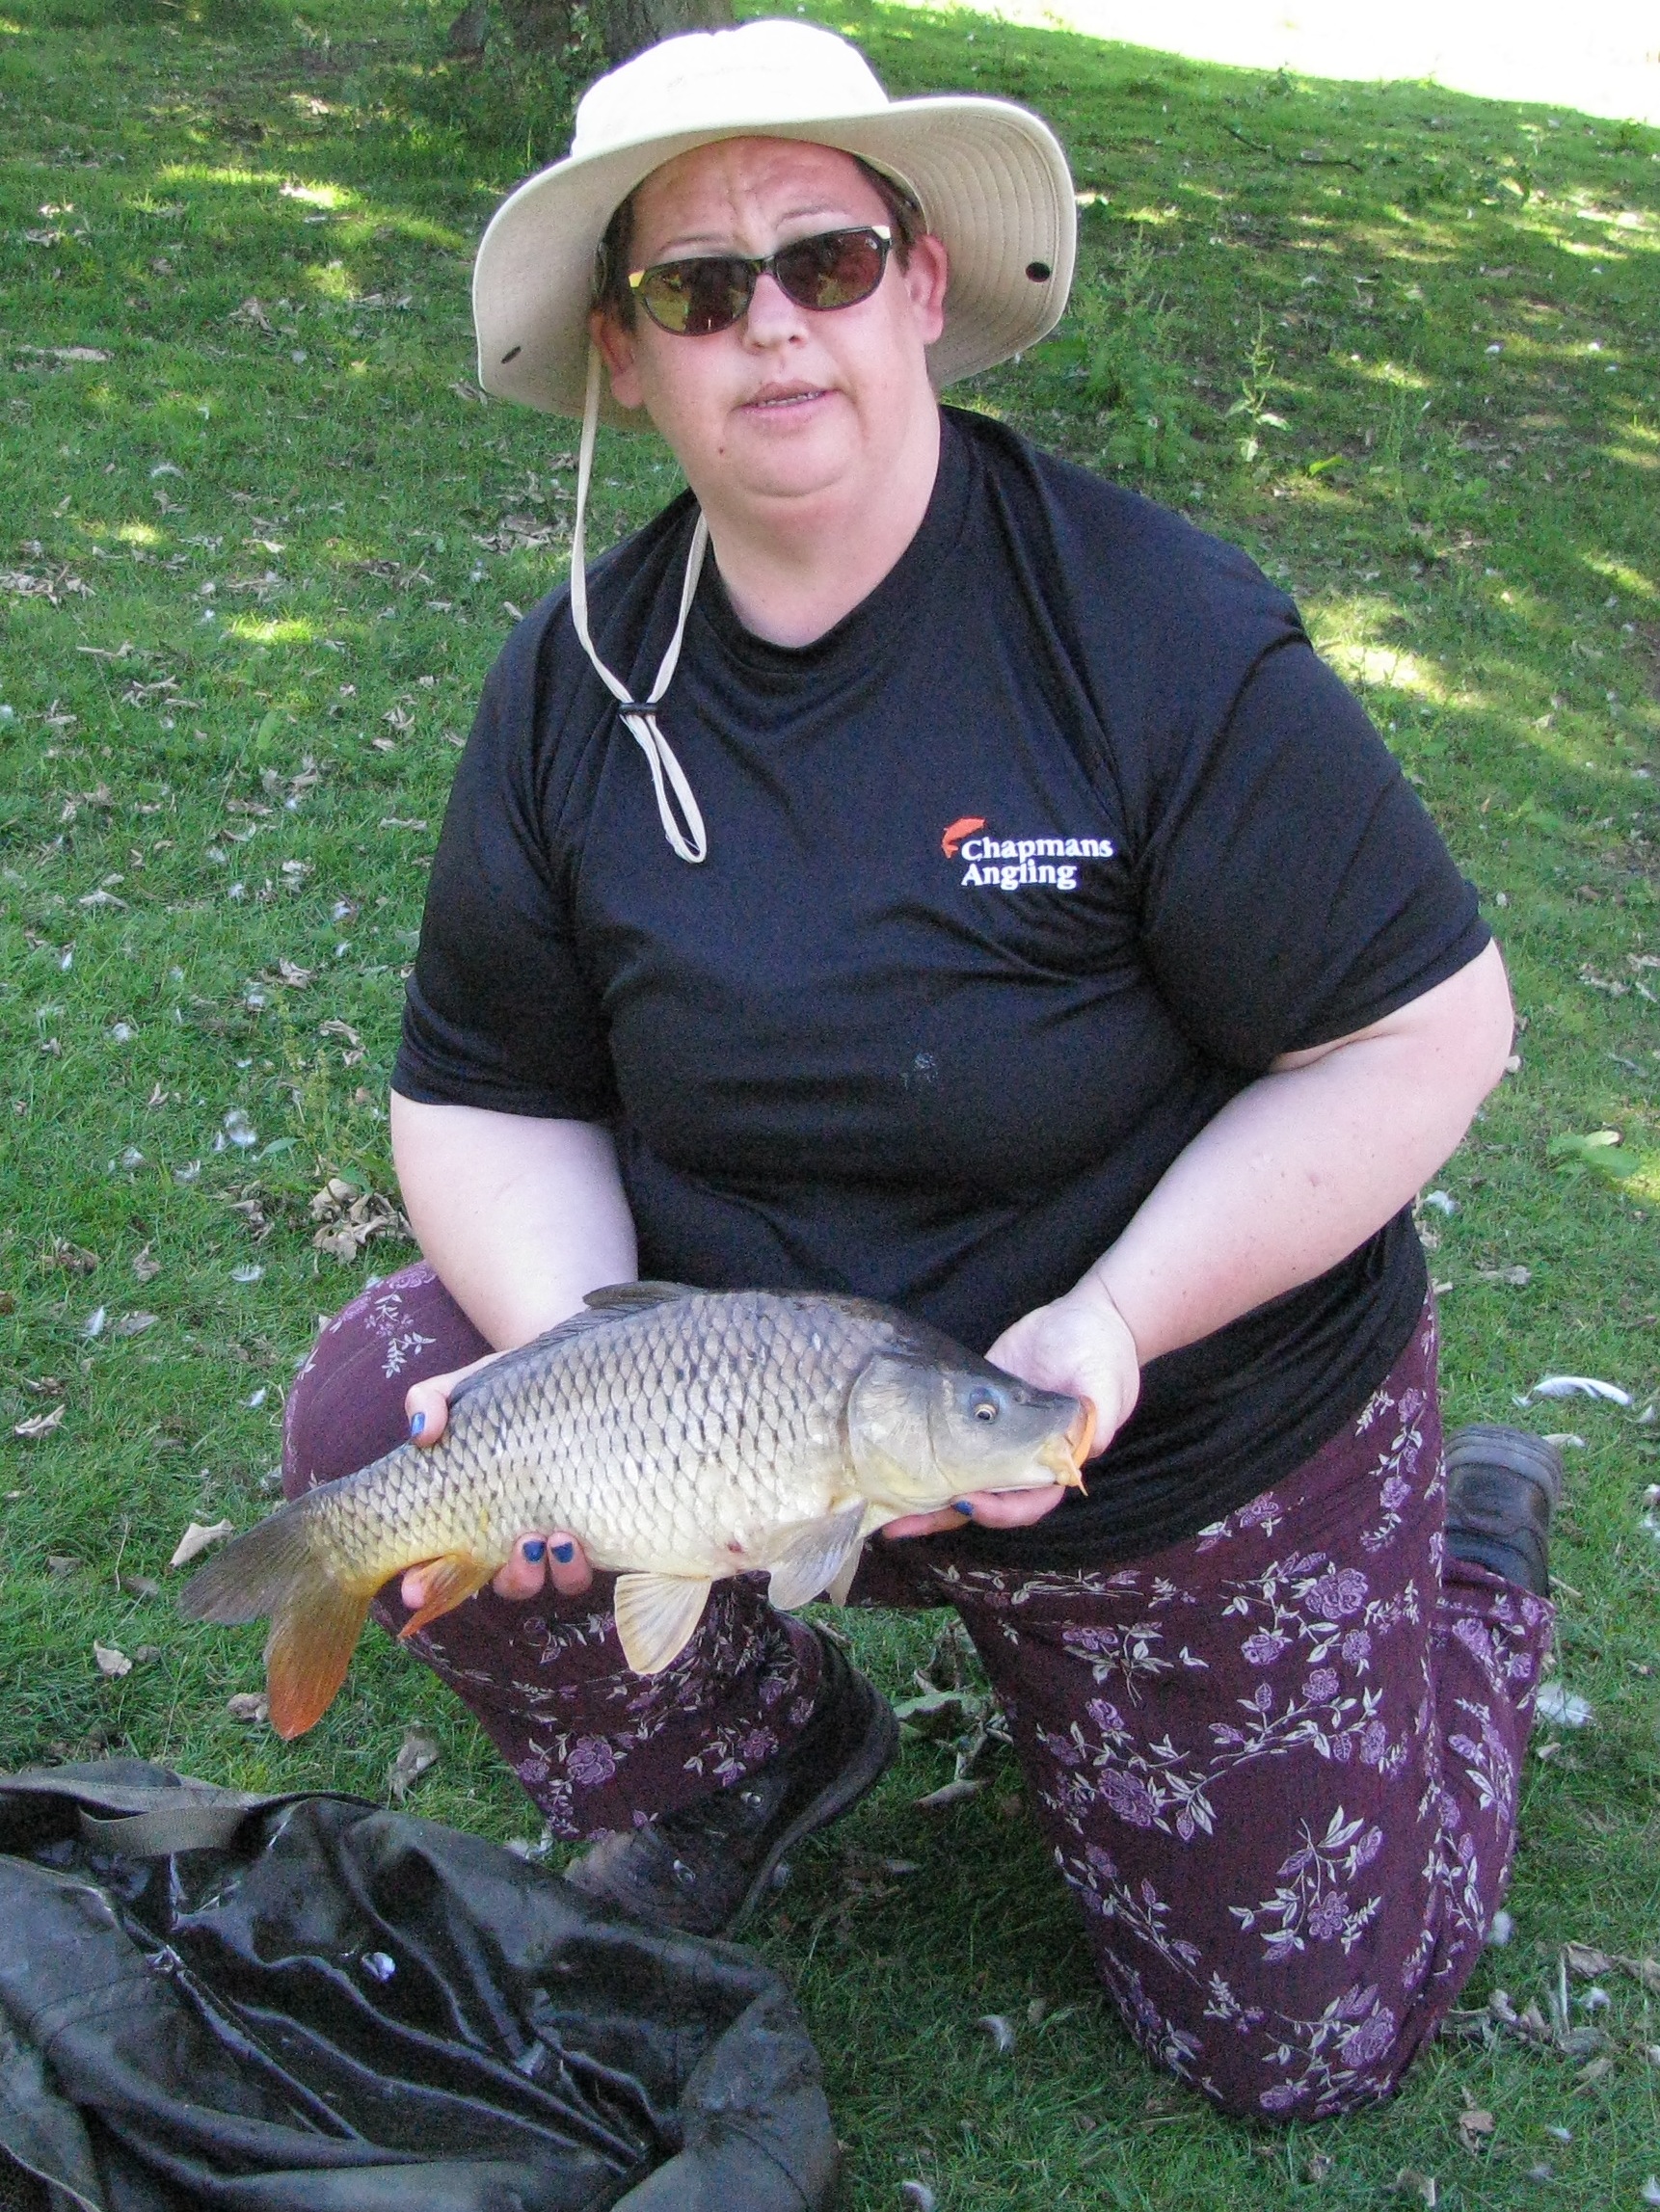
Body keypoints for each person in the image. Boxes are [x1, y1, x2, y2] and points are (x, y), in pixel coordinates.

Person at [282, 19, 1563, 2121]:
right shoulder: (572, 685)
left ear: (924, 284)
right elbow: (484, 1094)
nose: (772, 326)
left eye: (827, 260)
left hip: (1150, 1430)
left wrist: (1116, 1321)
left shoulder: (1153, 636)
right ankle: (751, 1742)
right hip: (746, 1433)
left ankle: (1471, 1571)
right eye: (698, 288)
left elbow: (1433, 1031)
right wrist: (586, 1380)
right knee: (379, 1411)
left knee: (1300, 2048)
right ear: (625, 354)